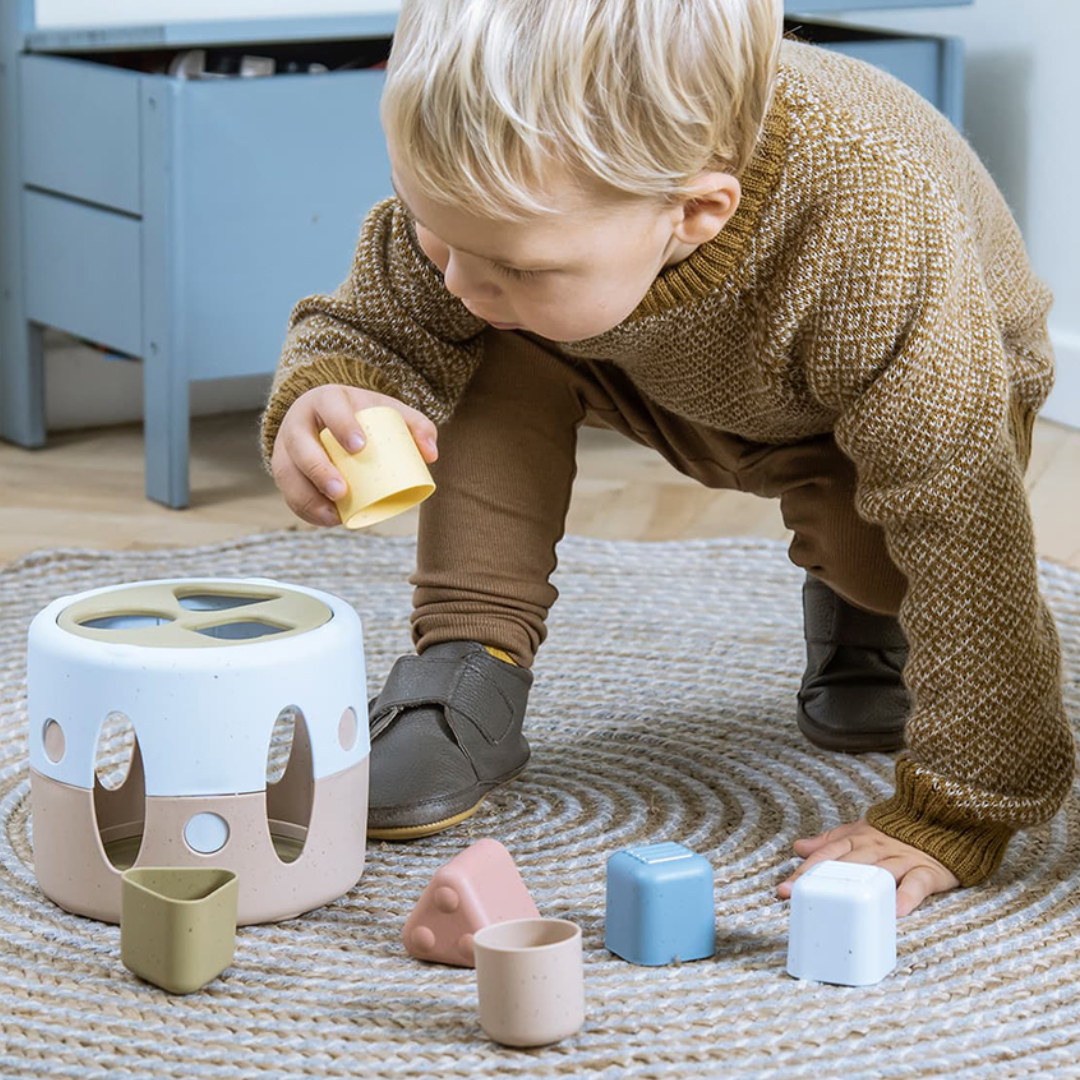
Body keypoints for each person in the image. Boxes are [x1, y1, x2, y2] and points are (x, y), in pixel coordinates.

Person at [260, 0, 1074, 917]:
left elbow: (966, 533)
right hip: (652, 366)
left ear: (695, 210)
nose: (457, 278)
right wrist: (337, 388)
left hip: (876, 412)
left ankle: (859, 616)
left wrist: (959, 812)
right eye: (430, 227)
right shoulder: (498, 213)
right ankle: (466, 663)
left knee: (891, 566)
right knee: (483, 334)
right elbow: (375, 320)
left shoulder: (874, 225)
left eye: (517, 264)